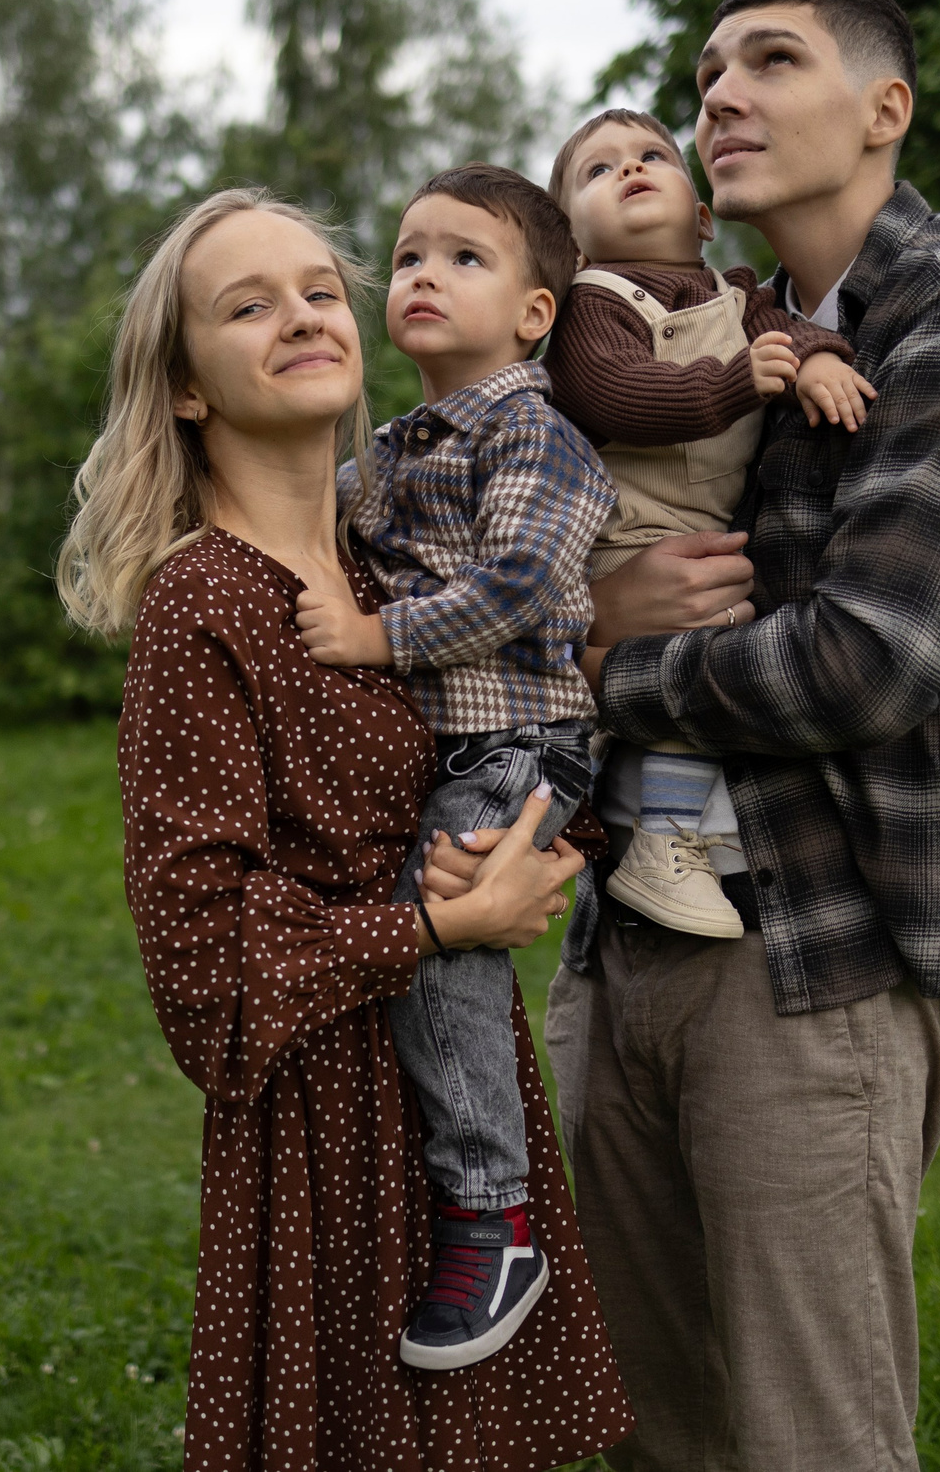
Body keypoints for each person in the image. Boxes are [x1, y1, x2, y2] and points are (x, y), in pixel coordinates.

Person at [427, 0, 940, 1469]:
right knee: (663, 1434)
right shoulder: (701, 334)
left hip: (812, 962)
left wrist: (583, 658)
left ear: (884, 109)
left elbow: (859, 663)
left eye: (771, 62)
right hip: (617, 951)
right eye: (707, 69)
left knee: (813, 1440)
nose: (717, 95)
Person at [59, 186, 633, 1471]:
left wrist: (528, 854)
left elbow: (520, 736)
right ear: (188, 388)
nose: (305, 316)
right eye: (247, 305)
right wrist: (437, 923)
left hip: (462, 1094)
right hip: (329, 1135)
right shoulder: (206, 602)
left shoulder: (395, 575)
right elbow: (203, 968)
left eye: (322, 289)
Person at [290, 164, 613, 1370]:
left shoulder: (538, 433)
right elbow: (307, 518)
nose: (423, 273)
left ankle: (494, 1211)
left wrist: (377, 638)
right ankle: (470, 1194)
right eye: (409, 253)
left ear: (535, 314)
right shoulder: (391, 445)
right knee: (419, 940)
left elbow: (520, 583)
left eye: (464, 257)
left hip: (521, 742)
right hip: (454, 748)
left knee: (444, 936)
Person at [543, 108, 870, 938]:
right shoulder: (593, 303)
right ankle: (597, 818)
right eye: (598, 170)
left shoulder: (738, 293)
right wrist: (735, 384)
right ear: (573, 242)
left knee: (702, 663)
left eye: (653, 154)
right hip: (627, 527)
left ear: (700, 214)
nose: (631, 169)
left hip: (700, 532)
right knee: (672, 660)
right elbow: (613, 394)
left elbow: (788, 333)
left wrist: (821, 359)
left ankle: (665, 833)